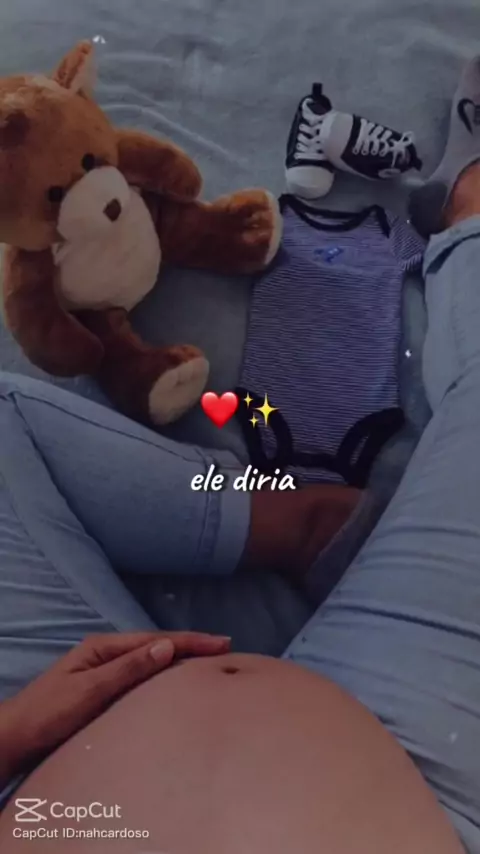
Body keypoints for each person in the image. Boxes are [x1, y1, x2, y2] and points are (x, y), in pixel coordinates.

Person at [2, 59, 480, 854]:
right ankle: (471, 213)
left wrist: (9, 735)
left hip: (44, 762)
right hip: (425, 784)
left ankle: (290, 525)